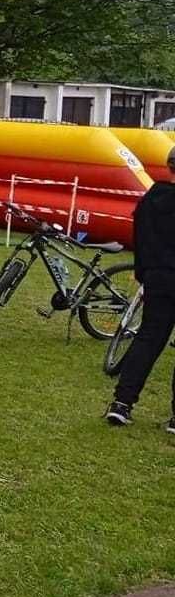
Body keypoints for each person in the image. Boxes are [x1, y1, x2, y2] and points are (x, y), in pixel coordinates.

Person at [105, 148, 175, 430]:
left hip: (157, 277)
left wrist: (143, 273)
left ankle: (122, 403)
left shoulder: (150, 200)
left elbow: (140, 237)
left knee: (147, 339)